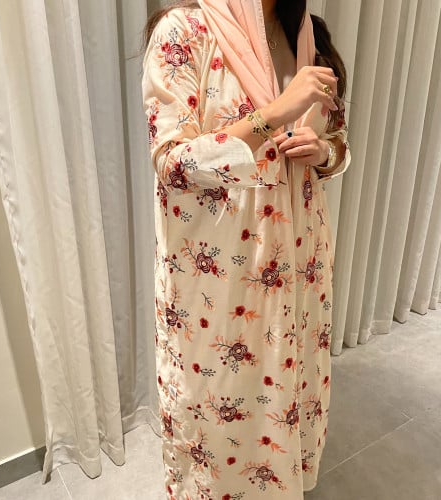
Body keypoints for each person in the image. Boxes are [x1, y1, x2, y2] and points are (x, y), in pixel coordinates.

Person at [142, 0, 351, 497]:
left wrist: (324, 152)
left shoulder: (308, 34)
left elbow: (337, 138)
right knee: (219, 396)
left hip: (300, 260)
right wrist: (274, 114)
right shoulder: (185, 31)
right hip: (220, 279)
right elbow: (171, 163)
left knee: (289, 382)